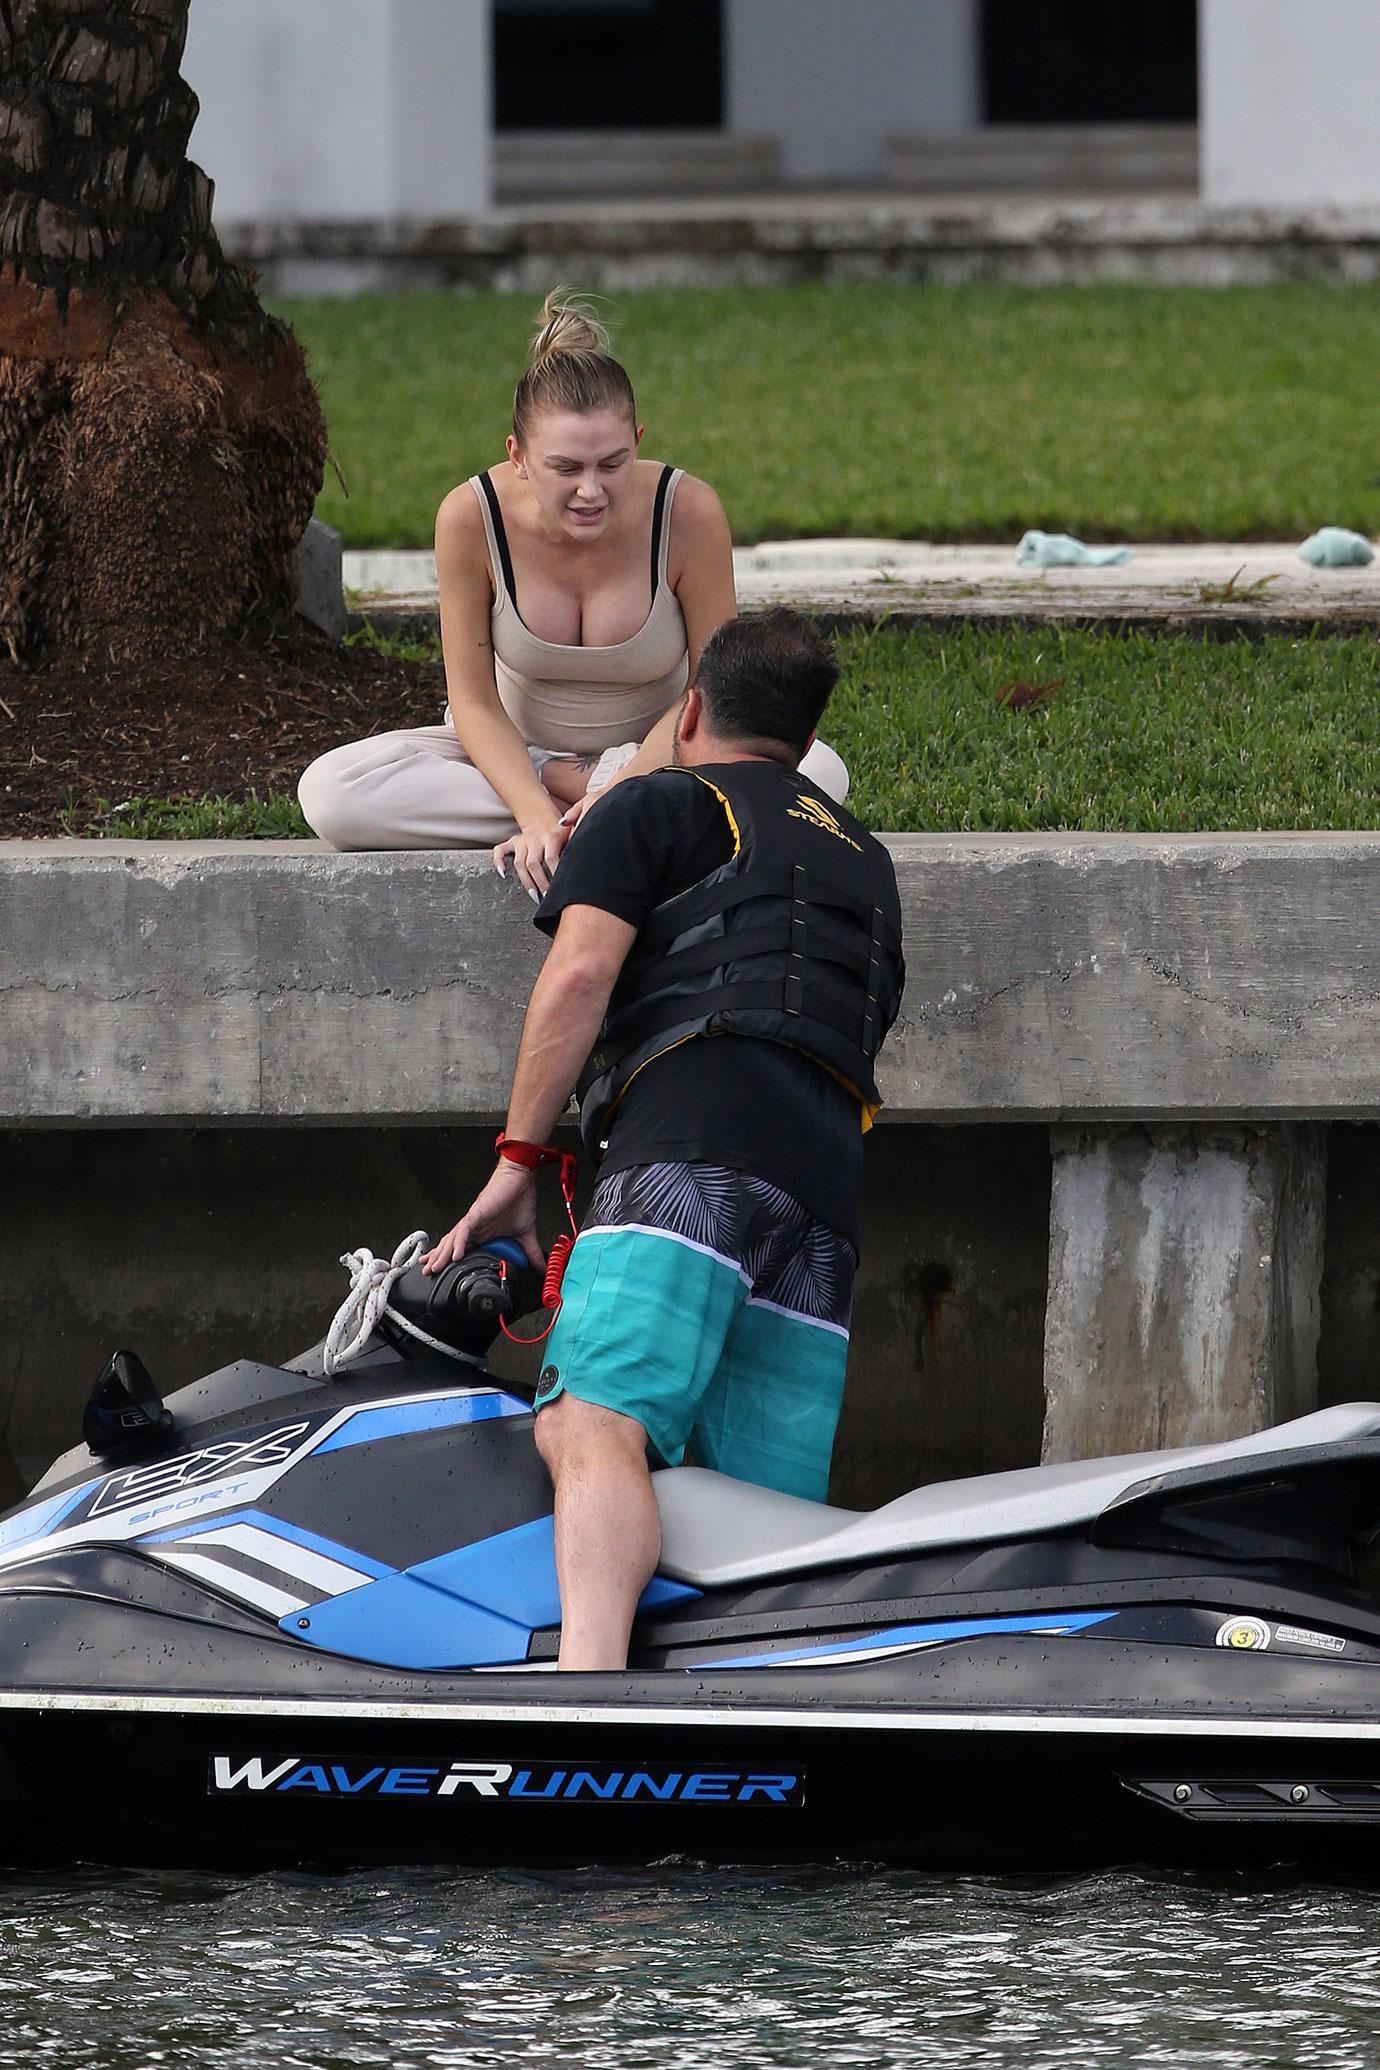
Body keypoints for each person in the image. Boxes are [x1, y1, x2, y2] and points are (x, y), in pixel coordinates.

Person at [420, 609, 905, 1672]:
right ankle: (742, 1719)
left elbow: (581, 976)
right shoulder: (865, 859)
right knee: (751, 1512)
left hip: (691, 1155)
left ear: (688, 712)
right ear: (802, 735)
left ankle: (587, 1695)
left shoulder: (655, 806)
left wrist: (521, 1161)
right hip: (824, 1195)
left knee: (592, 1426)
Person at [297, 291, 848, 883]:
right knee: (333, 792)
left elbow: (711, 692)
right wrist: (534, 813)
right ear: (519, 458)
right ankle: (594, 803)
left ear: (638, 440)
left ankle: (612, 802)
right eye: (566, 469)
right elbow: (475, 703)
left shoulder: (688, 511)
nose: (592, 491)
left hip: (663, 751)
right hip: (513, 761)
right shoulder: (468, 517)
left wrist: (626, 780)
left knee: (819, 771)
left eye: (613, 464)